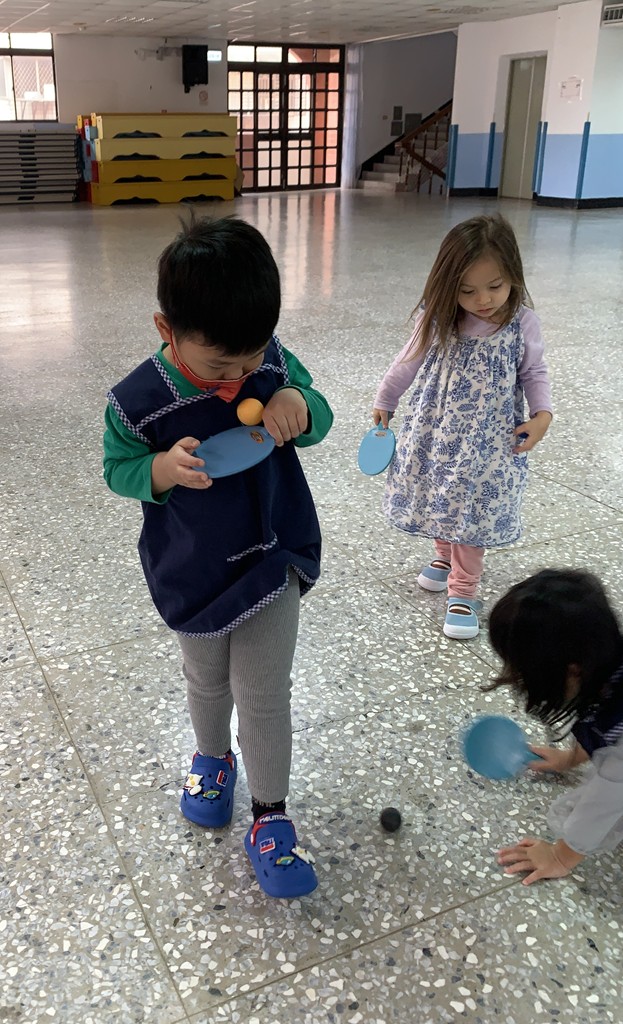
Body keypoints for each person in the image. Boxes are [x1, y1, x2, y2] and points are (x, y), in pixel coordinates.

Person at [103, 216, 333, 899]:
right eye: (217, 367)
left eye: (250, 360)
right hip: (193, 568)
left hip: (271, 557)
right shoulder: (137, 402)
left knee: (264, 692)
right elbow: (117, 469)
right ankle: (211, 757)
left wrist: (296, 401)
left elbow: (317, 416)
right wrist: (160, 470)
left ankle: (271, 812)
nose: (236, 380)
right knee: (205, 679)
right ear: (166, 330)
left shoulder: (271, 362)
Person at [372, 214, 552, 640]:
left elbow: (534, 372)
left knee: (471, 508)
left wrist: (542, 414)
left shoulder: (521, 322)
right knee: (441, 494)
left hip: (490, 439)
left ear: (513, 276)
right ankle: (444, 555)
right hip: (438, 430)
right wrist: (385, 399)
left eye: (495, 286)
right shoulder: (438, 317)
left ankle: (463, 591)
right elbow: (408, 360)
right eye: (467, 290)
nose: (483, 300)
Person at [489, 569, 623, 885]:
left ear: (572, 671)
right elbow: (596, 716)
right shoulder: (603, 662)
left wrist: (561, 856)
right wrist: (570, 758)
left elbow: (608, 797)